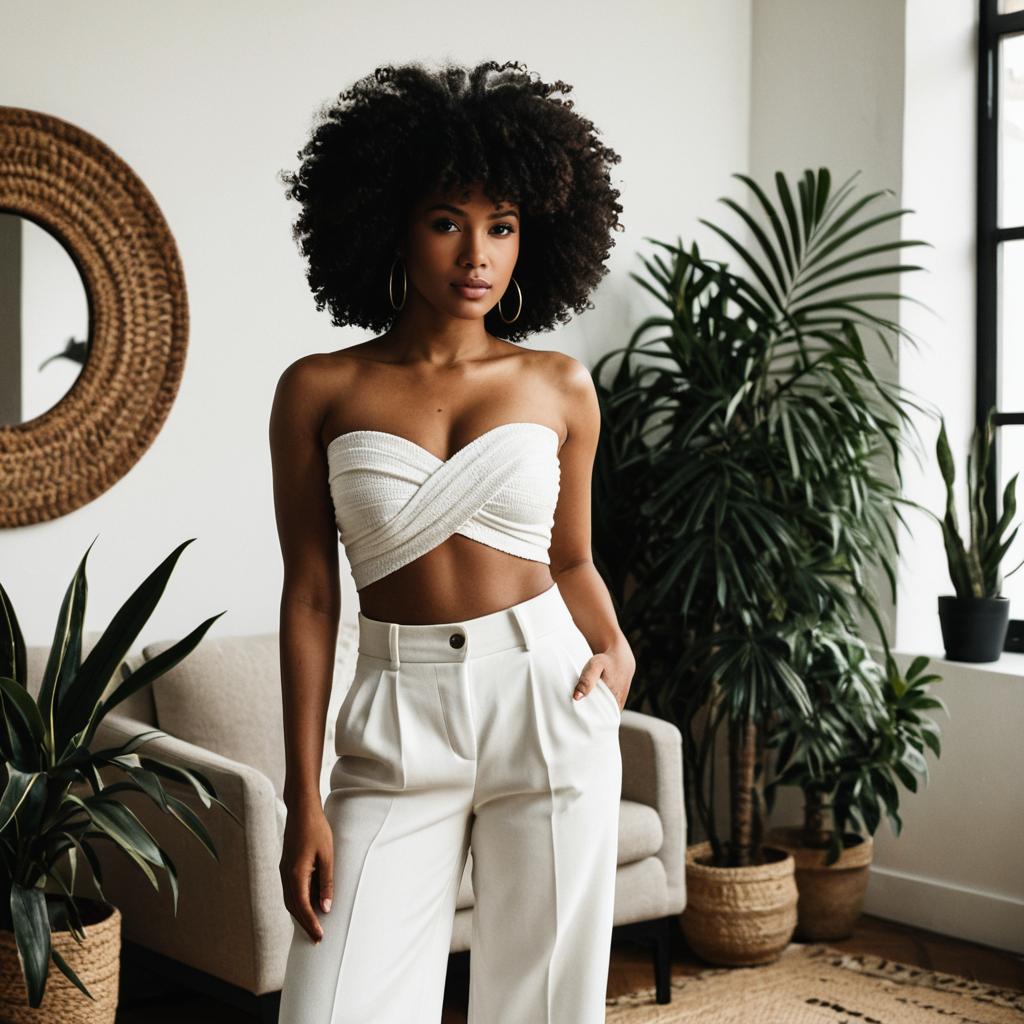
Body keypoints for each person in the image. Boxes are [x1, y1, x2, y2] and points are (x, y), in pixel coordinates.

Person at [270, 58, 635, 1024]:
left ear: (533, 240)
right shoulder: (320, 388)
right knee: (332, 1007)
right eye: (448, 221)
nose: (478, 253)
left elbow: (571, 560)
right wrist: (301, 796)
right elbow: (311, 594)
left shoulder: (560, 384)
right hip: (397, 712)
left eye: (502, 227)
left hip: (547, 697)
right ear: (390, 222)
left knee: (546, 1008)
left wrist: (614, 642)